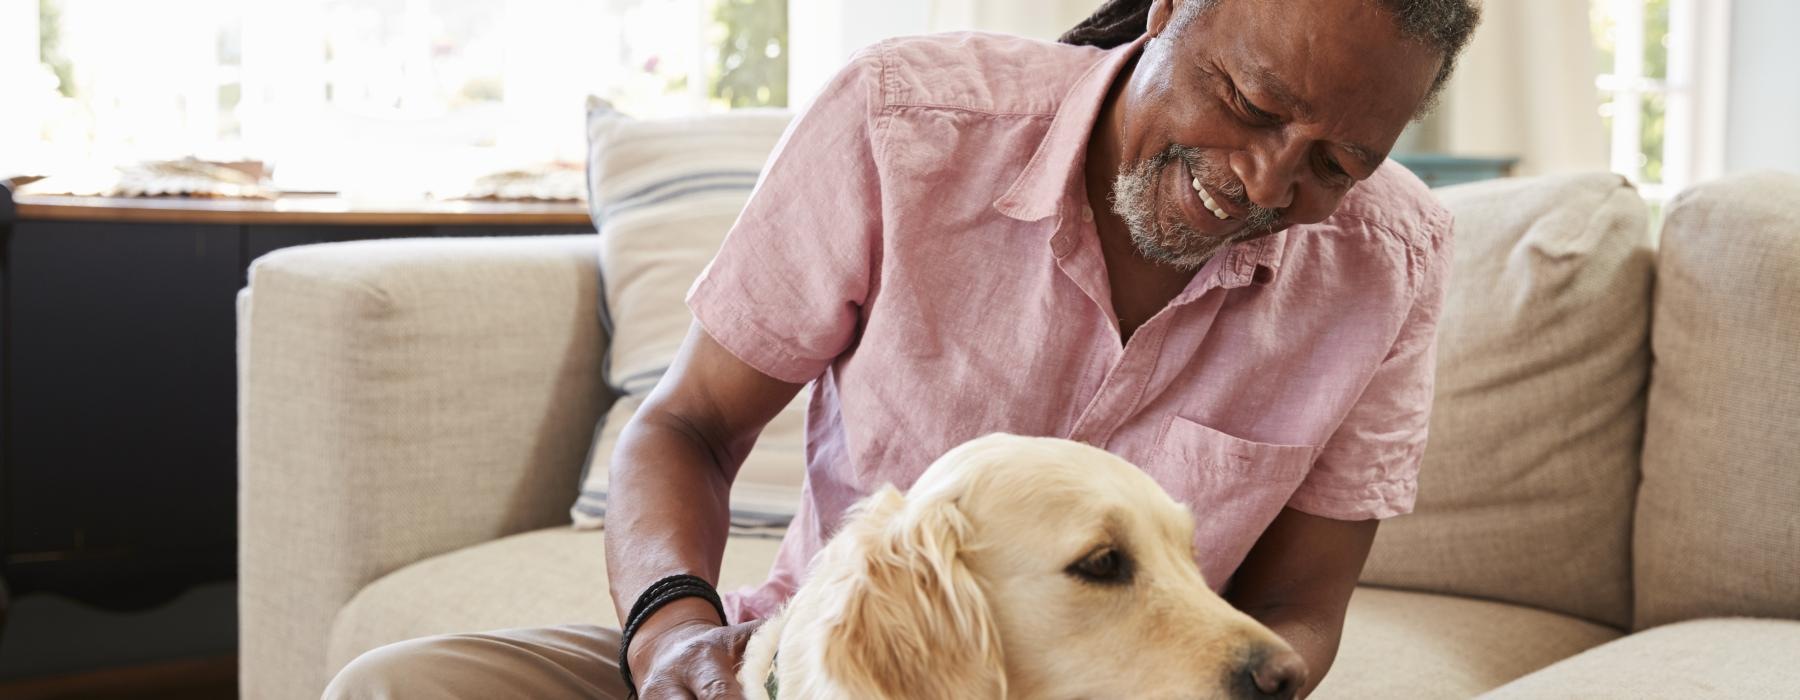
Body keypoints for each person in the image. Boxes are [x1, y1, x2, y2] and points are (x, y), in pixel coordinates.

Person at [324, 0, 1481, 697]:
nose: (1266, 180)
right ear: (1172, 10)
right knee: (402, 685)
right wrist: (673, 641)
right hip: (827, 663)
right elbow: (685, 426)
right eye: (1251, 101)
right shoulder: (906, 122)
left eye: (1337, 163)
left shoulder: (1392, 262)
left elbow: (1299, 613)